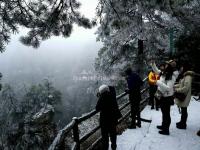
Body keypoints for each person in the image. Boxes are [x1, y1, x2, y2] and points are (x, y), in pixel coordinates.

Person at [151, 62, 175, 135]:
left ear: (169, 67)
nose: (165, 66)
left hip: (167, 97)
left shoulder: (171, 76)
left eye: (167, 65)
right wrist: (153, 64)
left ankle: (166, 130)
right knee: (164, 112)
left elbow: (168, 88)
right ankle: (163, 126)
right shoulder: (164, 73)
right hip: (162, 96)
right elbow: (156, 71)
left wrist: (158, 82)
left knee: (166, 114)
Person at [96, 84, 122, 150]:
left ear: (101, 91)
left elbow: (97, 108)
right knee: (113, 134)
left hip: (104, 120)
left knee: (105, 136)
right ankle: (114, 147)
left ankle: (106, 148)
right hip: (113, 118)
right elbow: (112, 87)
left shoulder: (102, 98)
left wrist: (99, 97)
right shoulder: (112, 95)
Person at [174, 62, 194, 129]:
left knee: (184, 110)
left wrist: (177, 90)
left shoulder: (188, 76)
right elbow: (181, 84)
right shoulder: (185, 76)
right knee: (183, 109)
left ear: (185, 67)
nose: (181, 68)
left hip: (185, 96)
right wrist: (174, 86)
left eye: (182, 66)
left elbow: (186, 88)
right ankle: (182, 122)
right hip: (183, 95)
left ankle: (183, 124)